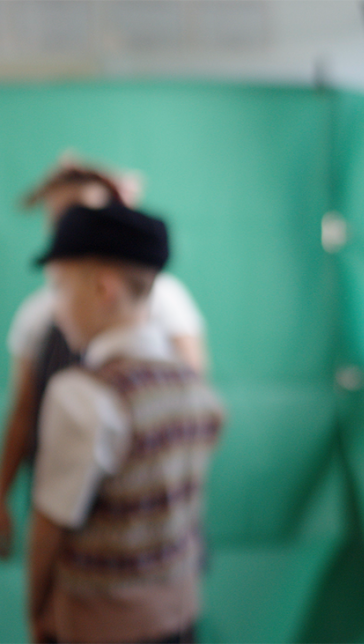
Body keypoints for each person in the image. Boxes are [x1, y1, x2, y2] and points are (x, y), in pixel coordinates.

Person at [28, 202, 223, 644]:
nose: (55, 308)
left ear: (103, 288)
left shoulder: (81, 395)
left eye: (59, 287)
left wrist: (36, 611)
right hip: (178, 616)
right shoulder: (193, 388)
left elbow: (48, 527)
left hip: (98, 624)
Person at [0, 161, 208, 558]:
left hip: (152, 510)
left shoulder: (167, 303)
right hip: (65, 507)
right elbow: (23, 410)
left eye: (78, 210)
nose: (65, 222)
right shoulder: (38, 315)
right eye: (56, 214)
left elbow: (193, 399)